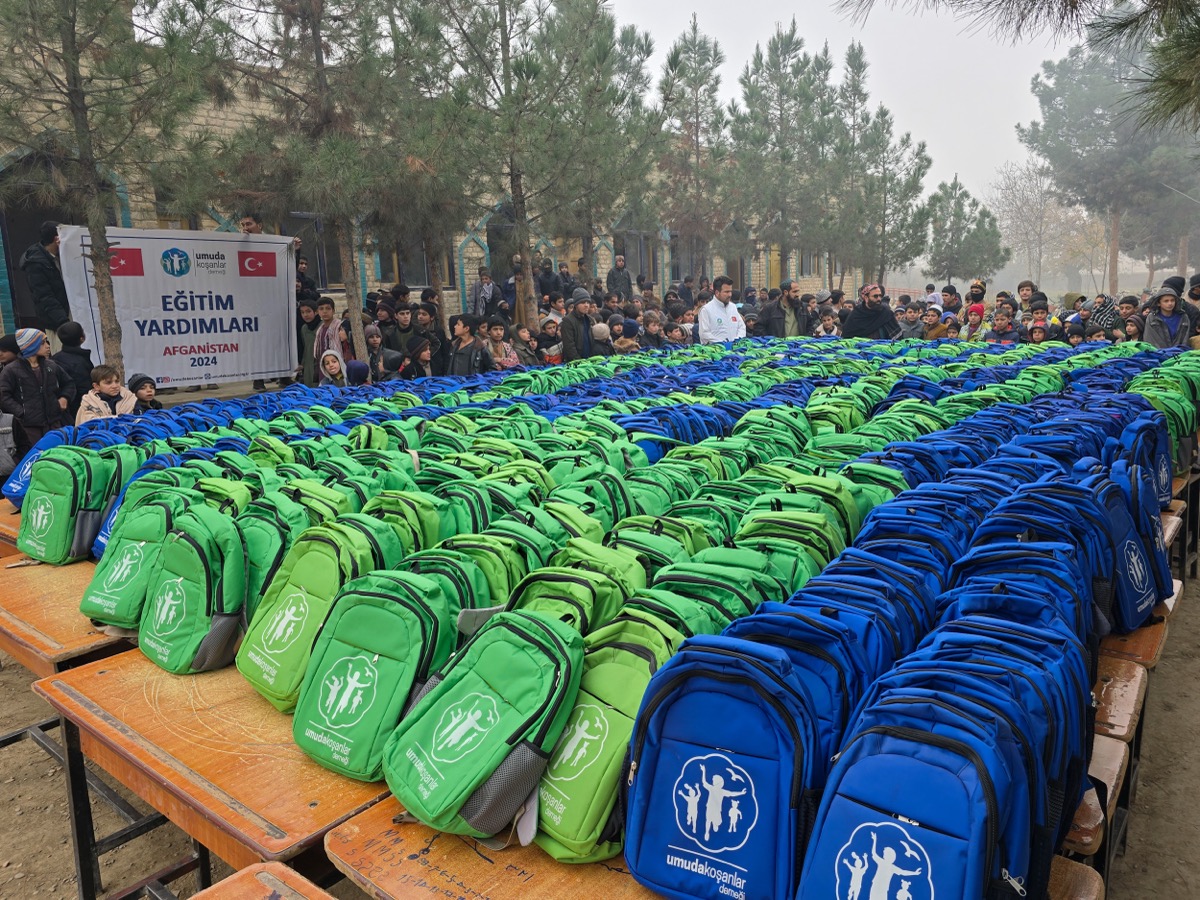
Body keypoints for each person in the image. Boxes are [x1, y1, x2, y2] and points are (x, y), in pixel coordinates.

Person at [0, 329, 72, 454]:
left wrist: (64, 398)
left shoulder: (51, 366)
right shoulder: (11, 370)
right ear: (31, 345)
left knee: (59, 456)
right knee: (36, 458)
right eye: (43, 343)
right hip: (28, 428)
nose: (47, 346)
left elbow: (69, 383)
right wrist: (22, 412)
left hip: (53, 423)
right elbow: (4, 396)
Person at [20, 221, 71, 350]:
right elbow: (44, 296)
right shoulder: (36, 263)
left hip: (69, 313)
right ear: (56, 239)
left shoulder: (61, 255)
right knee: (62, 352)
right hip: (57, 321)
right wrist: (63, 321)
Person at [51, 321, 93, 421]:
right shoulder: (80, 362)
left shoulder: (54, 359)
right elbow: (84, 389)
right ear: (82, 338)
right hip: (77, 410)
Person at [697, 276, 746, 343]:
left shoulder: (733, 307)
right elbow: (704, 334)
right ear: (717, 293)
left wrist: (736, 341)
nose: (730, 295)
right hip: (716, 349)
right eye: (726, 292)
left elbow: (741, 327)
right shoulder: (706, 310)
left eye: (730, 291)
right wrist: (722, 344)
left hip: (735, 348)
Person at [561, 290, 596, 361]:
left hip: (590, 360)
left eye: (588, 302)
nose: (586, 305)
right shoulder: (568, 321)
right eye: (583, 302)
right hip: (576, 362)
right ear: (576, 304)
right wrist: (578, 361)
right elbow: (569, 346)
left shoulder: (590, 319)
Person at [295, 297, 320, 386]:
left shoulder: (322, 326)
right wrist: (302, 364)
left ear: (316, 312)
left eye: (308, 311)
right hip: (308, 365)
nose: (305, 315)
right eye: (302, 312)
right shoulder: (304, 328)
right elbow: (306, 348)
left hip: (319, 364)